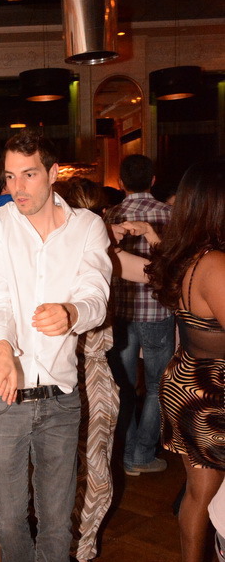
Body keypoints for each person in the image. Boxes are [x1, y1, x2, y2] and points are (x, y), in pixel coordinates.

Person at [0, 129, 111, 562]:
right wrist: (2, 349)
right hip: (5, 395)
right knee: (9, 516)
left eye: (29, 174)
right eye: (10, 176)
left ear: (53, 173)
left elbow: (97, 292)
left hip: (59, 396)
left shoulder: (87, 227)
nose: (18, 187)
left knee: (56, 518)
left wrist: (73, 312)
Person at [145, 158, 225, 562]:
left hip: (188, 381)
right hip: (215, 391)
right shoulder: (216, 265)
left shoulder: (186, 256)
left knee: (199, 494)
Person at [60, 178, 119, 562]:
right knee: (92, 468)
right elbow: (159, 272)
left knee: (59, 466)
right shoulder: (101, 255)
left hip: (63, 373)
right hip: (87, 373)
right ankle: (79, 551)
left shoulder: (54, 255)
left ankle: (65, 545)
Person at [104, 154, 174, 476]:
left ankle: (128, 452)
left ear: (121, 183)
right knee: (159, 385)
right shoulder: (169, 214)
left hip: (120, 311)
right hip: (158, 310)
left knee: (124, 385)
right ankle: (142, 454)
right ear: (153, 180)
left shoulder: (111, 216)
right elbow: (174, 264)